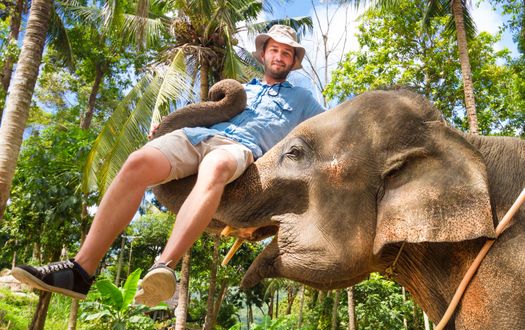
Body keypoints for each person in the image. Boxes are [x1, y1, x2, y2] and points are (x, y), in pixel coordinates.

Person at [12, 25, 325, 306]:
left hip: (240, 150)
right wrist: (169, 126)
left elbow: (331, 130)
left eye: (287, 53)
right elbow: (210, 110)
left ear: (293, 61)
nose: (280, 56)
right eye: (275, 50)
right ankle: (81, 269)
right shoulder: (245, 89)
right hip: (199, 135)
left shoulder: (303, 100)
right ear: (263, 53)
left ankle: (164, 266)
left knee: (215, 166)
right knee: (137, 162)